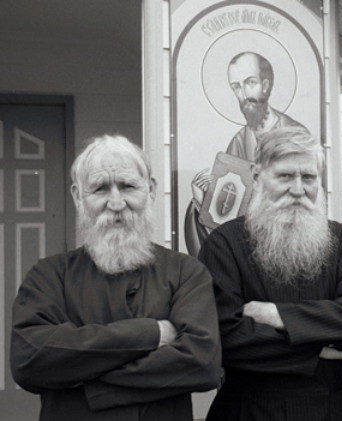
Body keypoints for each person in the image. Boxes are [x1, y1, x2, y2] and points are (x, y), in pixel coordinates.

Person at [10, 135, 222, 421]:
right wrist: (151, 333)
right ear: (77, 196)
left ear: (151, 190)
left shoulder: (186, 272)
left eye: (128, 186)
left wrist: (91, 383)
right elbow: (30, 361)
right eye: (100, 188)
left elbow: (203, 364)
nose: (116, 202)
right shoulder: (49, 275)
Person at [199, 126, 342, 420]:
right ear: (258, 177)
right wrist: (319, 350)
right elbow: (226, 338)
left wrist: (279, 316)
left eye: (308, 177)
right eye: (285, 176)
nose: (298, 189)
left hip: (340, 407)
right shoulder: (224, 245)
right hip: (254, 408)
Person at [185, 52, 307, 255]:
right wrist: (203, 200)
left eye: (250, 82)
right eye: (236, 87)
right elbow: (228, 213)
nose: (243, 94)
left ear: (265, 86)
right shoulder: (239, 141)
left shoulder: (295, 135)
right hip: (248, 250)